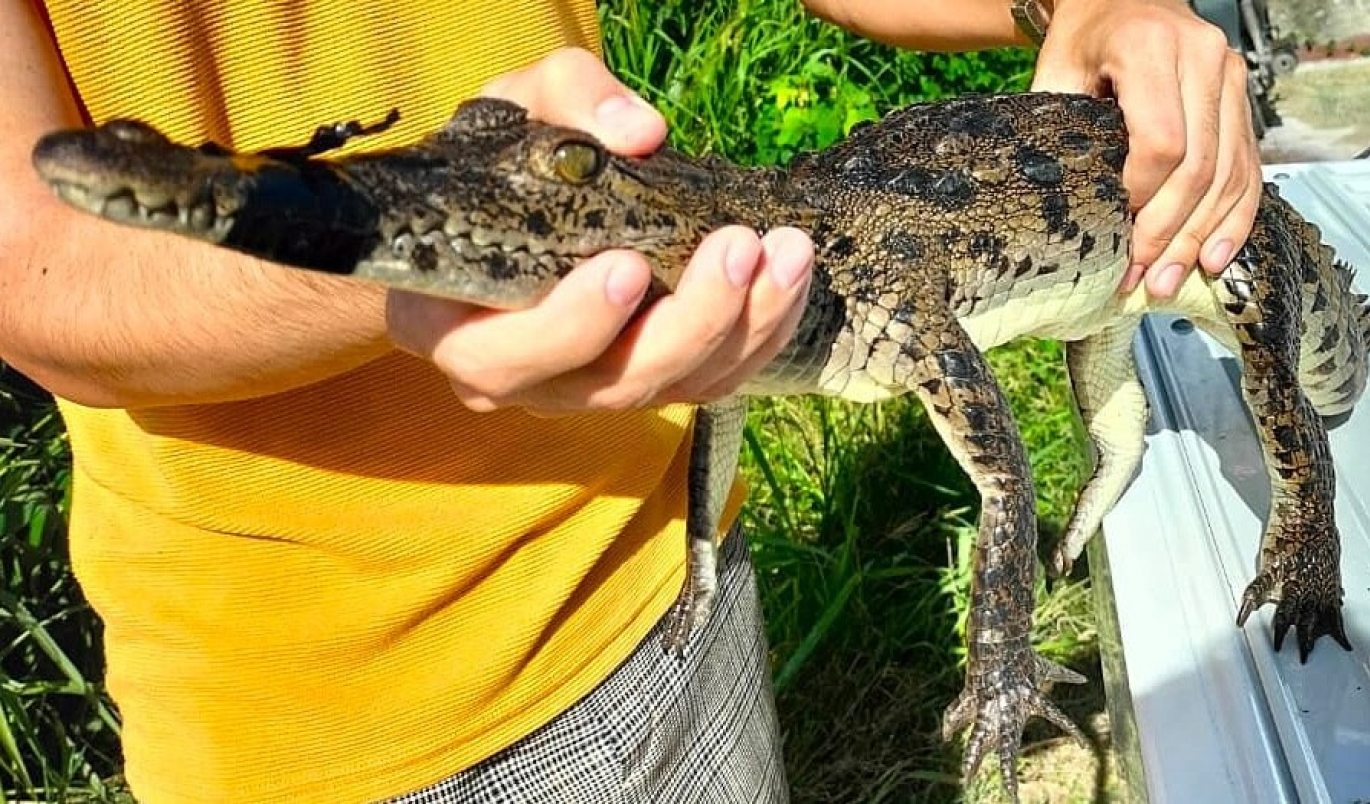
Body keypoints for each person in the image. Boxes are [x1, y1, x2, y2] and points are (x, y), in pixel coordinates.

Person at [0, 0, 1257, 802]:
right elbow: (35, 270)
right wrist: (426, 272)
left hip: (678, 572)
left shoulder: (847, 283)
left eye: (552, 181)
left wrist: (1074, 1)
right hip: (335, 707)